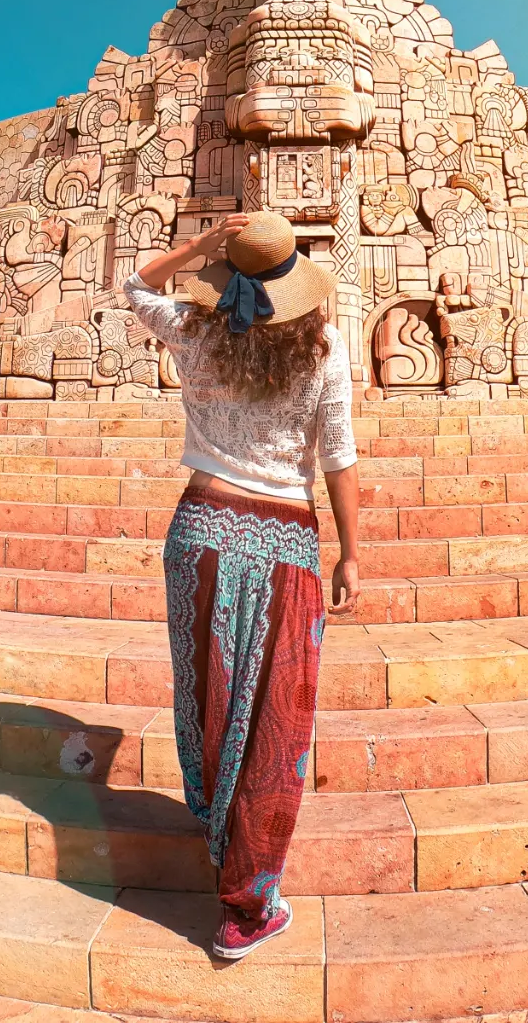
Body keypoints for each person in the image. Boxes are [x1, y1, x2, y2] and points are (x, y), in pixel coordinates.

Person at [122, 209, 360, 961]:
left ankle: (219, 822)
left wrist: (197, 248)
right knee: (276, 715)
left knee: (209, 692)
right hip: (284, 535)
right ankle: (248, 901)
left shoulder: (194, 333)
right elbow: (338, 456)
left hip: (202, 529)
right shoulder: (324, 350)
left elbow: (132, 285)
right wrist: (351, 552)